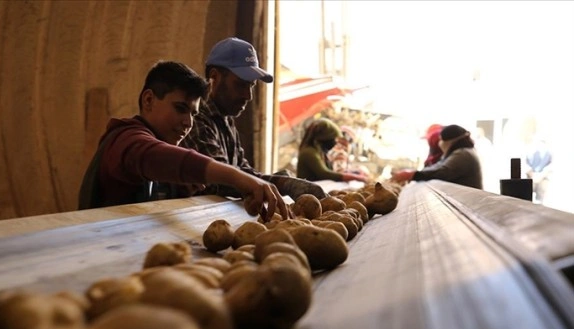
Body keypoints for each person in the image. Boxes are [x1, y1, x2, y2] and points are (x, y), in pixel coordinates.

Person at [77, 61, 288, 221]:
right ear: (148, 100)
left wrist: (185, 188)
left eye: (193, 114)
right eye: (180, 109)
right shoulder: (126, 139)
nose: (188, 123)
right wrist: (239, 178)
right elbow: (156, 157)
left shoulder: (163, 144)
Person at [172, 37, 328, 200]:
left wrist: (275, 180)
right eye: (240, 85)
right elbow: (222, 179)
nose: (248, 96)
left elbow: (241, 170)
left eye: (251, 86)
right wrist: (282, 184)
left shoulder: (226, 120)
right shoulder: (196, 120)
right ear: (214, 77)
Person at [391, 124, 483, 189]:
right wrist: (412, 173)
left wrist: (412, 175)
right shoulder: (458, 152)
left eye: (441, 140)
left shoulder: (463, 154)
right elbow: (437, 166)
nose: (440, 143)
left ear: (449, 141)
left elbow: (442, 172)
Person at [296, 118, 368, 182]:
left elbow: (332, 171)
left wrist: (354, 173)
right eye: (333, 139)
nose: (335, 142)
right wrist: (356, 177)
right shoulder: (309, 152)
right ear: (324, 138)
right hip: (308, 194)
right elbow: (324, 174)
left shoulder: (320, 152)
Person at [524, 137, 552, 204]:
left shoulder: (549, 155)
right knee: (527, 191)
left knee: (542, 190)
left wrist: (541, 175)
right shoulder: (531, 154)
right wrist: (532, 174)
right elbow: (526, 164)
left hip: (543, 178)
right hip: (531, 176)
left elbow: (550, 167)